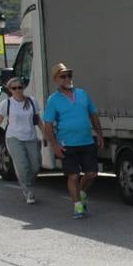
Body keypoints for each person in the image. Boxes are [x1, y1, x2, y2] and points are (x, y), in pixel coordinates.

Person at [41, 62, 104, 219]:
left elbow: (93, 115)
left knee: (92, 173)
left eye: (69, 76)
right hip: (67, 144)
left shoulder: (82, 94)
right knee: (73, 176)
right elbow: (48, 124)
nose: (67, 78)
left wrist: (100, 134)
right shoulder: (53, 100)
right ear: (56, 79)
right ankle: (77, 206)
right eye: (63, 76)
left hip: (86, 141)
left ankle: (81, 192)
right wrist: (54, 144)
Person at [0, 77, 42, 203]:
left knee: (36, 165)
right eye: (14, 88)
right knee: (22, 166)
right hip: (13, 138)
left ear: (23, 88)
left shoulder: (32, 101)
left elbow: (38, 120)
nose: (17, 90)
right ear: (10, 90)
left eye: (19, 87)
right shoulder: (6, 104)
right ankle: (28, 191)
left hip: (31, 137)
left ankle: (28, 183)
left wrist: (45, 134)